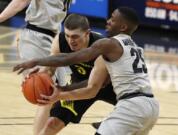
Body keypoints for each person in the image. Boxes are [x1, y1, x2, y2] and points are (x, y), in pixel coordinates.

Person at [13, 7, 159, 135]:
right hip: (148, 105)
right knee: (53, 123)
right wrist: (42, 77)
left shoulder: (106, 44)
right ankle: (114, 120)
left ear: (123, 26)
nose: (107, 21)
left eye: (112, 19)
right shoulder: (134, 46)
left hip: (118, 96)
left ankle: (115, 119)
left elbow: (78, 66)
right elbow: (53, 69)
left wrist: (37, 61)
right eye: (68, 36)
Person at [33, 13, 117, 135]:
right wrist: (39, 77)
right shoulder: (60, 40)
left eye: (75, 36)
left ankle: (111, 122)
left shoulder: (100, 46)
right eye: (68, 35)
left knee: (136, 111)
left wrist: (60, 94)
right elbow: (50, 68)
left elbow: (93, 88)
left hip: (108, 86)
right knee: (52, 123)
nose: (71, 41)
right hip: (78, 86)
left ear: (87, 33)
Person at [0, 0, 71, 135]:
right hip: (35, 37)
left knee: (58, 94)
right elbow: (20, 2)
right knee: (46, 93)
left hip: (54, 40)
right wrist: (1, 17)